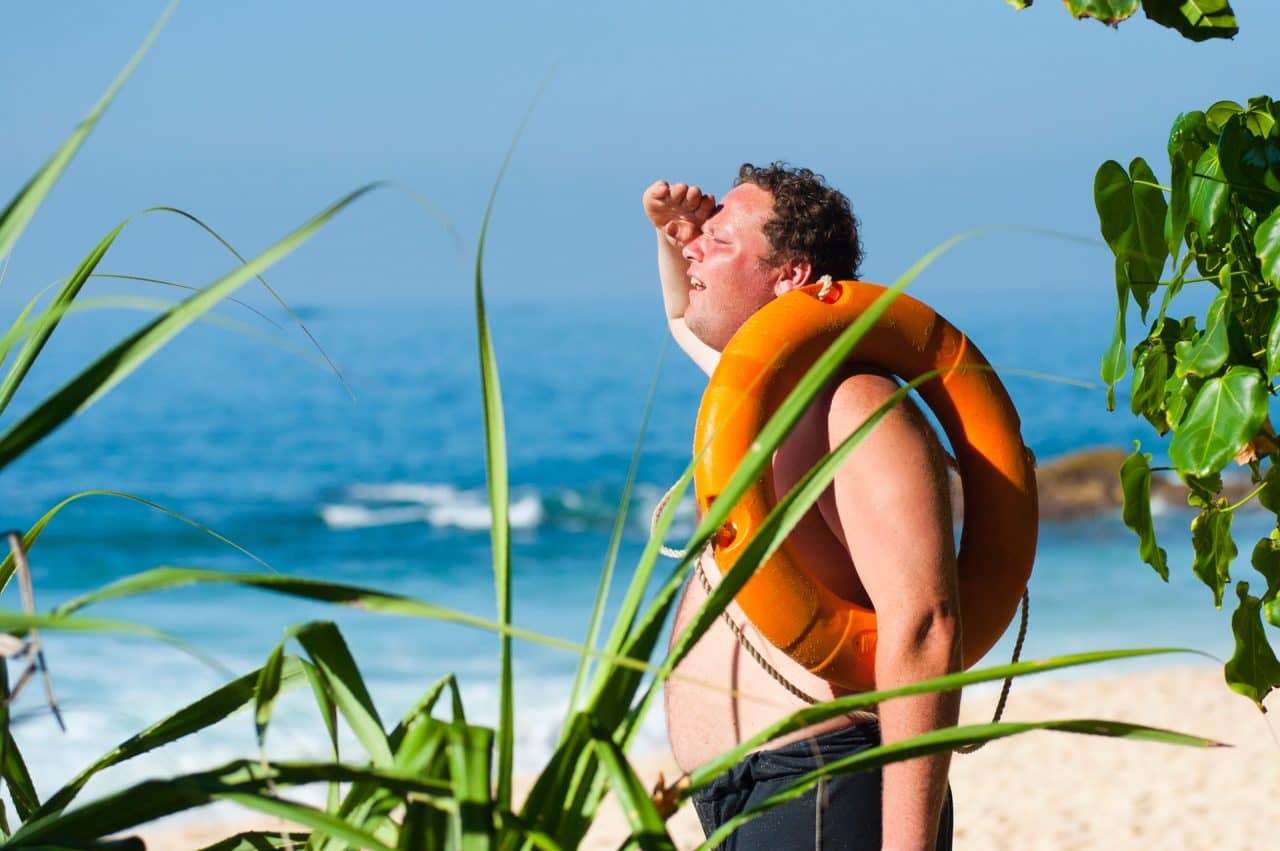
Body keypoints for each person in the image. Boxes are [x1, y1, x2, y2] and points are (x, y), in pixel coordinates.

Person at [644, 163, 959, 850]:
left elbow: (926, 627)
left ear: (789, 276)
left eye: (719, 241)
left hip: (825, 778)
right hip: (742, 796)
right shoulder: (756, 399)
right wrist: (674, 234)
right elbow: (680, 315)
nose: (695, 250)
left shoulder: (854, 406)